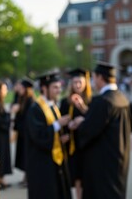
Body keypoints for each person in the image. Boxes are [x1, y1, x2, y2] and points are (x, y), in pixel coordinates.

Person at [69, 62, 131, 199]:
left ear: (100, 78)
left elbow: (88, 131)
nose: (93, 81)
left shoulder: (103, 101)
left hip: (102, 164)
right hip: (119, 160)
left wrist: (81, 124)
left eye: (94, 77)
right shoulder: (123, 99)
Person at [25, 72, 72, 199]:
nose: (59, 90)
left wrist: (60, 138)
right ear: (44, 89)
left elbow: (51, 133)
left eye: (59, 87)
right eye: (55, 87)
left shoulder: (53, 106)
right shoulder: (35, 109)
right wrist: (57, 124)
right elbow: (38, 136)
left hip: (54, 160)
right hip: (41, 163)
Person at [60, 68, 92, 199]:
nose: (77, 85)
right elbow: (61, 120)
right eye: (75, 82)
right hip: (72, 144)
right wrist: (68, 126)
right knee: (76, 175)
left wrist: (82, 107)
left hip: (86, 144)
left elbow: (94, 119)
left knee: (87, 174)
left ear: (85, 83)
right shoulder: (65, 102)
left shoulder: (91, 100)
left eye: (80, 82)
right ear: (71, 84)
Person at [12, 77, 35, 188]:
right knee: (23, 155)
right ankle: (26, 177)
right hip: (22, 132)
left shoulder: (30, 101)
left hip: (27, 133)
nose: (19, 89)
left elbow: (28, 118)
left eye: (21, 87)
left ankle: (29, 178)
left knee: (27, 155)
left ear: (26, 89)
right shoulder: (22, 98)